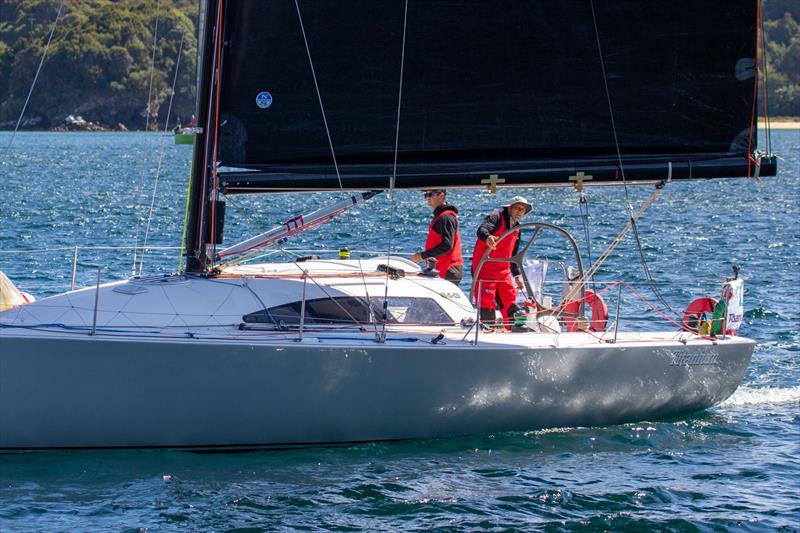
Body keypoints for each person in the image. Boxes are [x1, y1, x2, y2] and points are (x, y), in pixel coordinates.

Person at [472, 195, 533, 326]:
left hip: (503, 271)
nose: (519, 212)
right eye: (517, 208)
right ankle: (487, 330)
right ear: (509, 208)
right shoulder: (496, 218)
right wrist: (488, 237)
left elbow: (513, 255)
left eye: (522, 210)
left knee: (509, 298)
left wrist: (516, 275)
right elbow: (481, 230)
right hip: (484, 269)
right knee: (486, 301)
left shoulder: (517, 228)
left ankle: (511, 330)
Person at [410, 189, 463, 285]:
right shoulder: (441, 217)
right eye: (426, 195)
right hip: (442, 269)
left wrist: (421, 256)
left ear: (441, 196)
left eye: (431, 195)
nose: (428, 198)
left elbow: (447, 245)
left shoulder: (446, 217)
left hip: (448, 269)